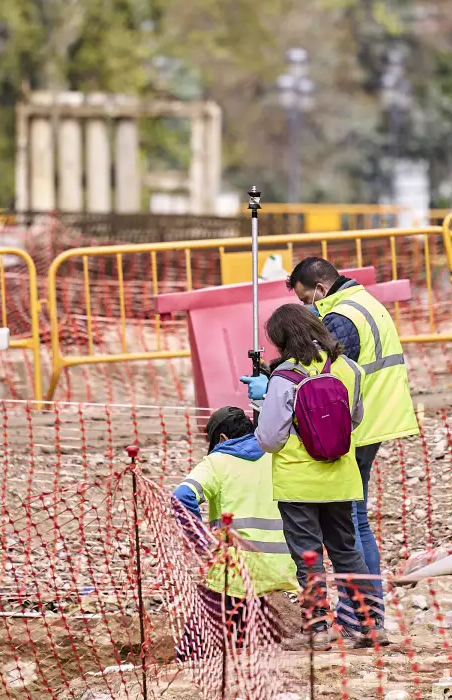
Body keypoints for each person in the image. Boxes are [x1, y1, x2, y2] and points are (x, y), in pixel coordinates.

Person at [285, 257, 420, 628]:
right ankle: (366, 613)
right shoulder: (368, 303)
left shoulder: (341, 318)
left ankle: (360, 614)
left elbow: (322, 372)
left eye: (305, 299)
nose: (306, 308)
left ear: (320, 289)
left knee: (351, 523)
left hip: (356, 428)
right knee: (356, 520)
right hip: (377, 419)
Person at [240, 304, 377, 649]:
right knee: (347, 551)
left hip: (297, 481)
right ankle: (371, 625)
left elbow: (269, 439)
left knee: (308, 557)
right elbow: (354, 419)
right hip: (341, 478)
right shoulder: (349, 368)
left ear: (283, 340)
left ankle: (317, 630)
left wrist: (261, 404)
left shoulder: (284, 377)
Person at [172, 406, 298, 659]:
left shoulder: (217, 462)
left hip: (234, 570)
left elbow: (181, 497)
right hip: (283, 568)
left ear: (221, 439)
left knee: (192, 651)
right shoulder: (278, 456)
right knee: (249, 644)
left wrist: (202, 543)